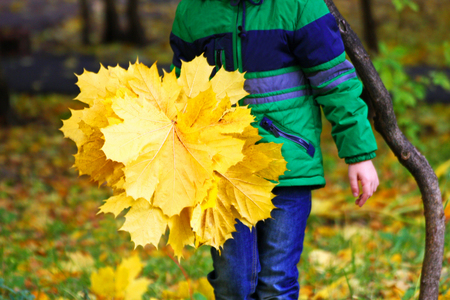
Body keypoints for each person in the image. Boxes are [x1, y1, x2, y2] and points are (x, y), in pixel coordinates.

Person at [169, 0, 379, 299]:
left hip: (287, 163)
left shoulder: (299, 5)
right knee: (233, 283)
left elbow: (335, 81)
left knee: (276, 283)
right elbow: (182, 89)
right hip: (223, 169)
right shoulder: (193, 10)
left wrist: (359, 155)